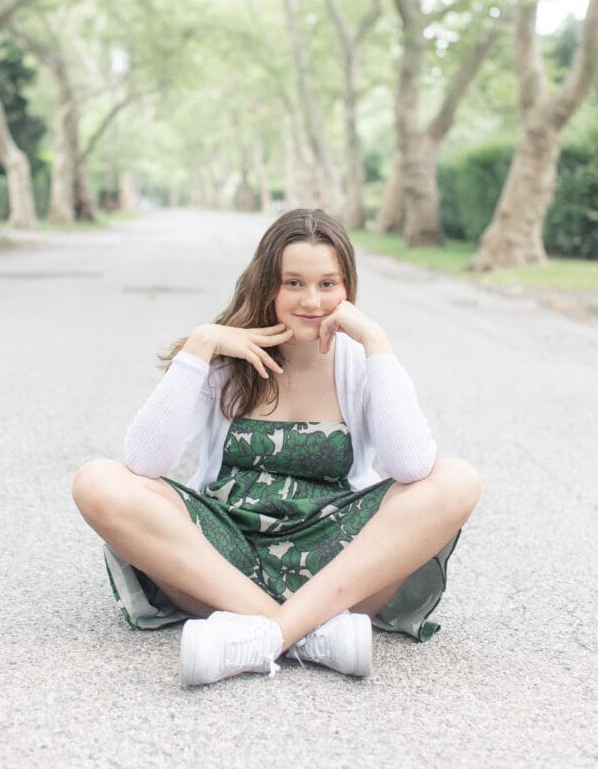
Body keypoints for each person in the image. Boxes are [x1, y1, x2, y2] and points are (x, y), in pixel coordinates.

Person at [72, 208, 481, 686]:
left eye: (328, 284)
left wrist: (376, 340)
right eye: (294, 283)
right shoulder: (228, 357)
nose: (312, 301)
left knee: (457, 480)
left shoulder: (360, 360)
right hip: (225, 561)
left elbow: (410, 465)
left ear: (348, 287)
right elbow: (144, 461)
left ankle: (266, 634)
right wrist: (200, 346)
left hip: (332, 564)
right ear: (268, 284)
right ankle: (309, 635)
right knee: (97, 481)